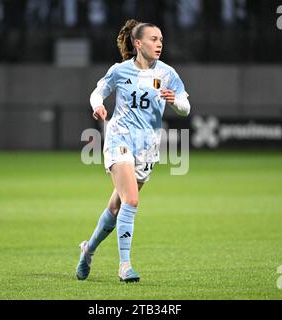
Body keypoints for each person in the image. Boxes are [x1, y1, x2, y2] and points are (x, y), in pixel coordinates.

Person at [76, 19, 191, 283]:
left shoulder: (168, 73)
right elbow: (98, 92)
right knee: (132, 200)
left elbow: (185, 106)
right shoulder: (119, 70)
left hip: (148, 147)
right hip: (120, 139)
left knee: (116, 208)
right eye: (153, 39)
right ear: (138, 43)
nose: (159, 43)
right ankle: (125, 265)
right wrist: (98, 106)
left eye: (161, 39)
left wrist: (176, 102)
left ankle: (88, 249)